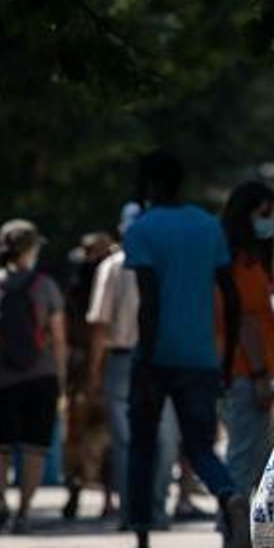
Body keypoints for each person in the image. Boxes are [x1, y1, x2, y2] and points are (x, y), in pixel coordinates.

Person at [117, 151, 267, 548]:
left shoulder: (142, 229)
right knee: (200, 445)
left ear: (148, 185)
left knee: (143, 446)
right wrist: (223, 356)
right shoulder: (207, 226)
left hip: (157, 357)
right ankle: (228, 495)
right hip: (202, 355)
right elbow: (232, 298)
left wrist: (145, 360)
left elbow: (148, 303)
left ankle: (143, 546)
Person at [87, 205, 181, 530]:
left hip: (124, 360)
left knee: (128, 442)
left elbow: (100, 325)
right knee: (165, 439)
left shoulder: (112, 266)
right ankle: (155, 511)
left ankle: (133, 514)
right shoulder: (168, 264)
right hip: (162, 359)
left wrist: (94, 374)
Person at [0, 220, 68, 534]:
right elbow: (58, 336)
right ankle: (24, 512)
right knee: (34, 448)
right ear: (30, 249)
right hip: (40, 376)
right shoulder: (45, 285)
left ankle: (0, 503)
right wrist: (61, 377)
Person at [218, 181, 274, 496]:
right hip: (244, 372)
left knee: (251, 457)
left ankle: (240, 533)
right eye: (265, 211)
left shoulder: (238, 258)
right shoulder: (240, 262)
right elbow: (245, 320)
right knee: (243, 459)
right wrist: (259, 375)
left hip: (245, 371)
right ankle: (234, 532)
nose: (270, 219)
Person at [62, 232, 115, 520]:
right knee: (106, 438)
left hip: (80, 371)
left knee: (77, 438)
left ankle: (75, 490)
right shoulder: (112, 280)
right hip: (102, 369)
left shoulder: (75, 286)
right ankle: (106, 497)